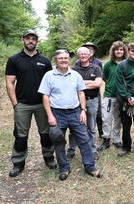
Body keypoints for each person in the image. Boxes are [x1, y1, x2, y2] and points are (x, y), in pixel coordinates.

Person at [38, 49, 102, 180]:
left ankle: (90, 167)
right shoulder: (49, 76)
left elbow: (81, 93)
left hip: (75, 112)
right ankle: (64, 168)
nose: (63, 60)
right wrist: (50, 115)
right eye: (60, 58)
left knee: (84, 140)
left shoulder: (75, 75)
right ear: (55, 60)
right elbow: (45, 96)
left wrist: (83, 110)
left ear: (69, 59)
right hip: (57, 113)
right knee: (58, 141)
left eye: (66, 58)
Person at [5, 30, 56, 177]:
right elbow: (9, 83)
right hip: (22, 104)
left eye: (33, 39)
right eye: (28, 39)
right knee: (21, 135)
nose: (30, 41)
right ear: (23, 40)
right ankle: (18, 163)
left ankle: (49, 158)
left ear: (37, 42)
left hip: (42, 104)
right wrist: (15, 104)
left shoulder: (45, 61)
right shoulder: (14, 60)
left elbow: (51, 83)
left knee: (46, 133)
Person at [67, 47, 102, 160]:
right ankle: (71, 149)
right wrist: (89, 83)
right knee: (74, 127)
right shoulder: (74, 70)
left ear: (89, 55)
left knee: (91, 127)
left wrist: (80, 83)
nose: (83, 56)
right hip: (76, 102)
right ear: (78, 56)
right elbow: (71, 85)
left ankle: (92, 150)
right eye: (80, 54)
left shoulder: (96, 68)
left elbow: (98, 84)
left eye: (85, 54)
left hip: (92, 100)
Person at [97, 41, 127, 151]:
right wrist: (111, 84)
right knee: (106, 118)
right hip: (110, 95)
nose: (119, 51)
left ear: (124, 51)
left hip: (122, 96)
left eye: (121, 49)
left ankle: (117, 139)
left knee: (118, 118)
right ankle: (106, 139)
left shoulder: (127, 63)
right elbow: (104, 77)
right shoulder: (109, 64)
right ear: (113, 51)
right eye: (117, 49)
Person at [78, 42, 103, 140]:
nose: (89, 51)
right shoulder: (77, 64)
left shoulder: (98, 63)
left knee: (98, 114)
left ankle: (100, 132)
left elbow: (98, 82)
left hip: (95, 94)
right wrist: (91, 83)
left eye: (91, 49)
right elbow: (74, 84)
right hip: (80, 96)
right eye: (87, 48)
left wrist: (81, 83)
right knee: (81, 120)